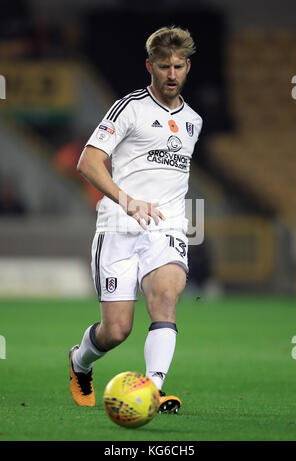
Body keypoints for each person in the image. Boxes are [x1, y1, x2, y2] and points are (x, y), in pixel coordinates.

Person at [69, 25, 203, 413]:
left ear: (188, 66)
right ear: (150, 66)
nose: (171, 74)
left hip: (167, 227)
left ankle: (154, 389)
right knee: (116, 330)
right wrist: (126, 200)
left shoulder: (193, 121)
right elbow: (88, 162)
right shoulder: (130, 108)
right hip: (119, 227)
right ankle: (80, 362)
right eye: (164, 66)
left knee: (165, 298)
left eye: (178, 66)